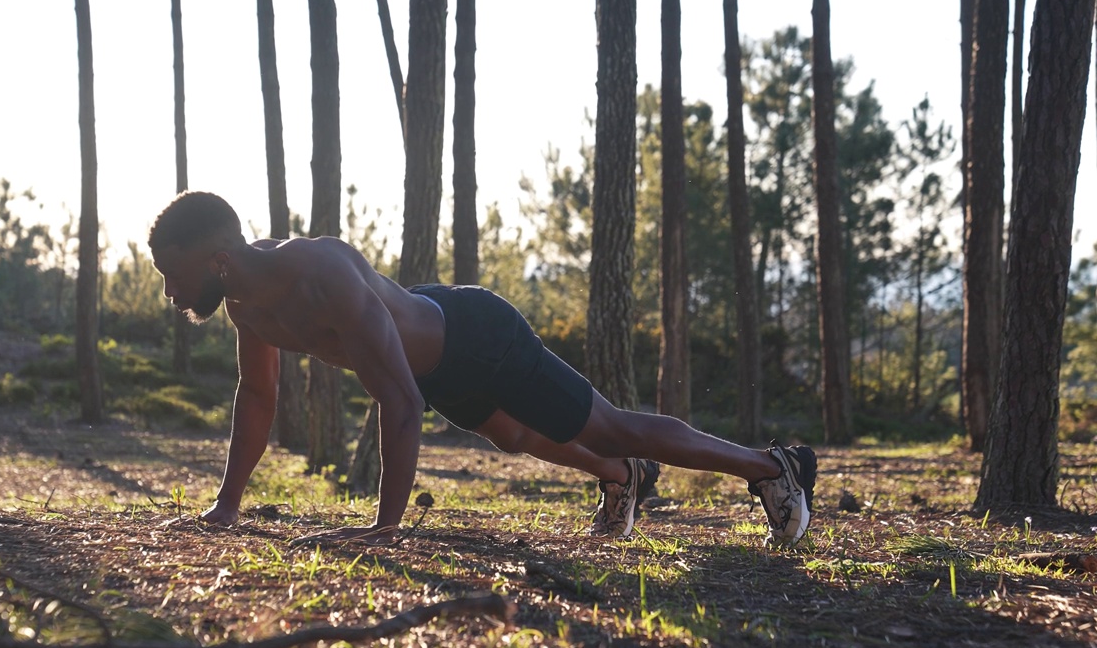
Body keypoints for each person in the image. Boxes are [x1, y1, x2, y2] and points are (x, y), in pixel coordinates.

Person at [148, 191, 817, 548]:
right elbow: (257, 398)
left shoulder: (319, 271)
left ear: (215, 260)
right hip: (436, 365)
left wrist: (383, 530)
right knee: (515, 436)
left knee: (610, 425)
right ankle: (624, 480)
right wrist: (227, 506)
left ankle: (769, 466)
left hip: (474, 336)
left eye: (171, 274)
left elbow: (399, 403)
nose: (169, 294)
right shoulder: (246, 309)